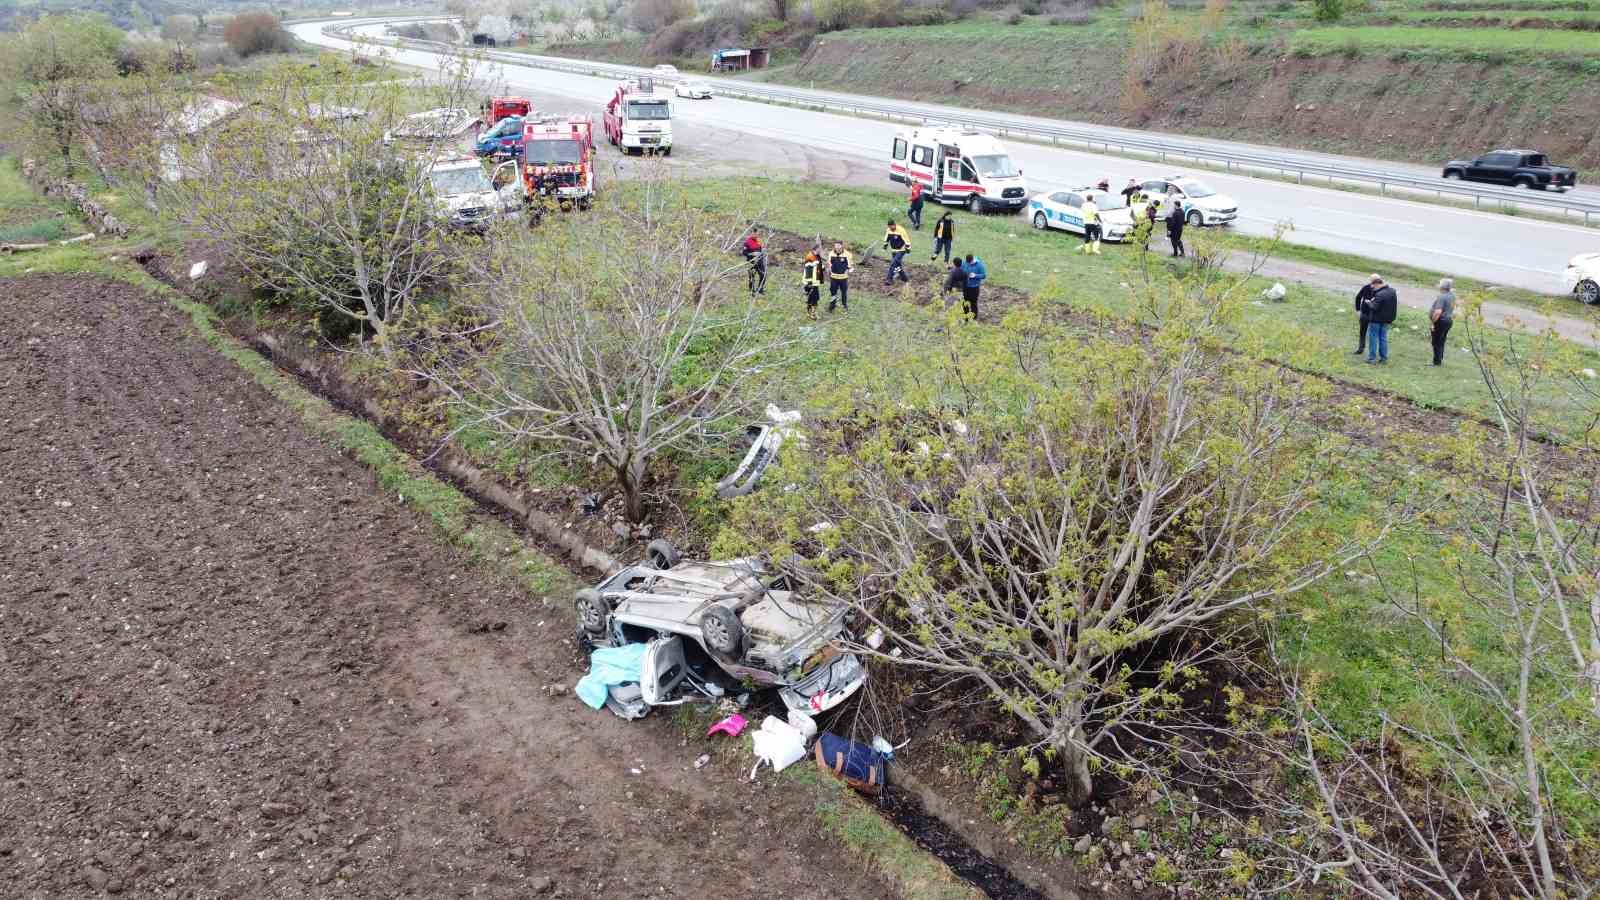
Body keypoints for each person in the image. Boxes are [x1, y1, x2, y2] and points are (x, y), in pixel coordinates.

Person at [1366, 276, 1397, 365]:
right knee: (1383, 338)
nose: (1373, 288)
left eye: (1373, 287)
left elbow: (1374, 307)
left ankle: (1372, 358)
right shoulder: (1392, 291)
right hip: (1387, 319)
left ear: (1377, 284)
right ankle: (1384, 358)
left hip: (1376, 320)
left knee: (1373, 338)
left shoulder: (1379, 294)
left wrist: (1369, 303)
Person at [1429, 277, 1456, 366]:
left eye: (1439, 284)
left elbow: (1438, 312)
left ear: (1442, 287)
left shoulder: (1442, 297)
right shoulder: (1452, 295)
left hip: (1441, 321)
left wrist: (1432, 323)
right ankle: (1439, 359)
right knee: (1441, 341)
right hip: (1448, 321)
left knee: (1436, 341)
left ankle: (1436, 362)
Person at [1352, 274, 1379, 356]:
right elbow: (1358, 297)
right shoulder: (1366, 287)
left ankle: (1372, 352)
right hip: (1365, 313)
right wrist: (1358, 310)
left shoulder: (1381, 290)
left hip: (1375, 315)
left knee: (1373, 333)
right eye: (1372, 280)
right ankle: (1361, 348)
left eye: (1376, 280)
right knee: (1362, 331)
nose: (1374, 282)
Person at [883, 219, 912, 285]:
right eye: (889, 227)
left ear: (894, 225)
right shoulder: (888, 230)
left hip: (902, 250)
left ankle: (889, 279)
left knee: (893, 263)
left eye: (891, 226)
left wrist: (908, 249)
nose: (890, 228)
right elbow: (886, 238)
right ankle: (904, 278)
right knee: (897, 265)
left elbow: (907, 240)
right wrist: (885, 246)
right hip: (894, 250)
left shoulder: (901, 230)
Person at [826, 241, 853, 312]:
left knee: (844, 292)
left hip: (843, 278)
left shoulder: (848, 254)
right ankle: (832, 306)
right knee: (833, 293)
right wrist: (828, 269)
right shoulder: (831, 253)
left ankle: (844, 305)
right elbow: (829, 263)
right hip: (833, 278)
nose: (837, 248)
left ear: (842, 246)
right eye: (836, 246)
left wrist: (848, 270)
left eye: (839, 246)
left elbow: (851, 266)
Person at [962, 254, 986, 320]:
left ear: (972, 260)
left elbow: (984, 275)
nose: (968, 264)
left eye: (970, 263)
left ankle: (974, 319)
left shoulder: (979, 265)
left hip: (974, 288)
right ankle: (966, 318)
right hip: (965, 287)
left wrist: (975, 275)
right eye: (967, 263)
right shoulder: (965, 263)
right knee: (965, 303)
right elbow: (961, 269)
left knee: (973, 304)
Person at [801, 250, 823, 320]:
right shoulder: (810, 257)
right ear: (815, 250)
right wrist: (809, 283)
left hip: (815, 282)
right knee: (812, 299)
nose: (820, 251)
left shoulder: (817, 257)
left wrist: (822, 268)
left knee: (815, 298)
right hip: (811, 283)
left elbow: (819, 266)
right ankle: (812, 314)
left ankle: (810, 313)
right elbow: (808, 270)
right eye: (819, 249)